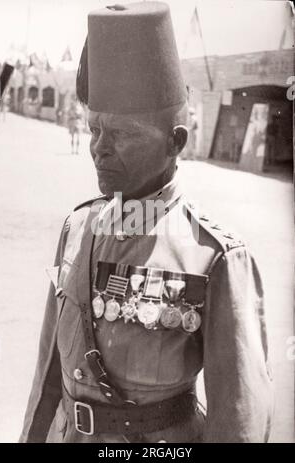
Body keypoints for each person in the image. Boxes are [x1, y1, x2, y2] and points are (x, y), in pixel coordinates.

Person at [20, 2, 273, 443]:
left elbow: (239, 423)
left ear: (175, 142)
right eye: (94, 128)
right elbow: (47, 380)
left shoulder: (215, 257)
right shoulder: (76, 230)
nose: (98, 148)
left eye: (121, 133)